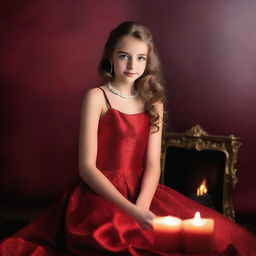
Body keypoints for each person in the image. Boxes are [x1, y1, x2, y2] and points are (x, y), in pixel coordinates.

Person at [0, 21, 255, 256]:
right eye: (124, 56)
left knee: (225, 236)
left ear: (148, 61)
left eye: (140, 58)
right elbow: (87, 168)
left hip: (143, 191)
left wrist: (142, 207)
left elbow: (153, 163)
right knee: (119, 241)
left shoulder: (152, 101)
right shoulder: (96, 97)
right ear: (111, 56)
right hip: (100, 192)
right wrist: (130, 211)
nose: (133, 65)